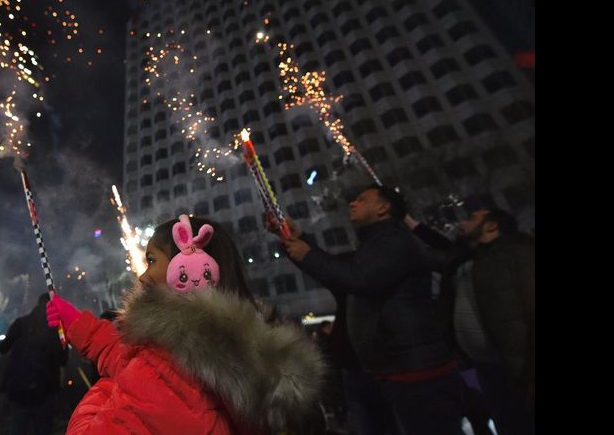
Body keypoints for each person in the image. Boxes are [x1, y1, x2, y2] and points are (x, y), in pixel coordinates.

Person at [46, 214, 326, 434]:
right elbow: (138, 362)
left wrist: (107, 388)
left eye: (152, 260)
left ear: (189, 268)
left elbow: (145, 379)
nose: (143, 278)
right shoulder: (222, 354)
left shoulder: (169, 369)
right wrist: (77, 325)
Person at [272, 185, 464, 435]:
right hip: (397, 369)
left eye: (362, 200)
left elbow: (360, 279)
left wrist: (308, 253)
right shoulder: (375, 244)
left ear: (383, 208)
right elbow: (339, 272)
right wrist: (299, 241)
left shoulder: (394, 241)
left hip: (418, 372)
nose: (352, 203)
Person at [407, 207, 534, 435]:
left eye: (473, 218)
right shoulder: (469, 259)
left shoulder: (517, 256)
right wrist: (408, 221)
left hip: (519, 370)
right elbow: (442, 248)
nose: (464, 222)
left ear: (491, 226)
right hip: (489, 369)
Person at [0, 293, 70, 435]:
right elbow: (63, 359)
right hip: (46, 389)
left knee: (18, 426)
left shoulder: (20, 323)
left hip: (19, 386)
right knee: (42, 428)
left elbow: (2, 348)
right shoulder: (58, 329)